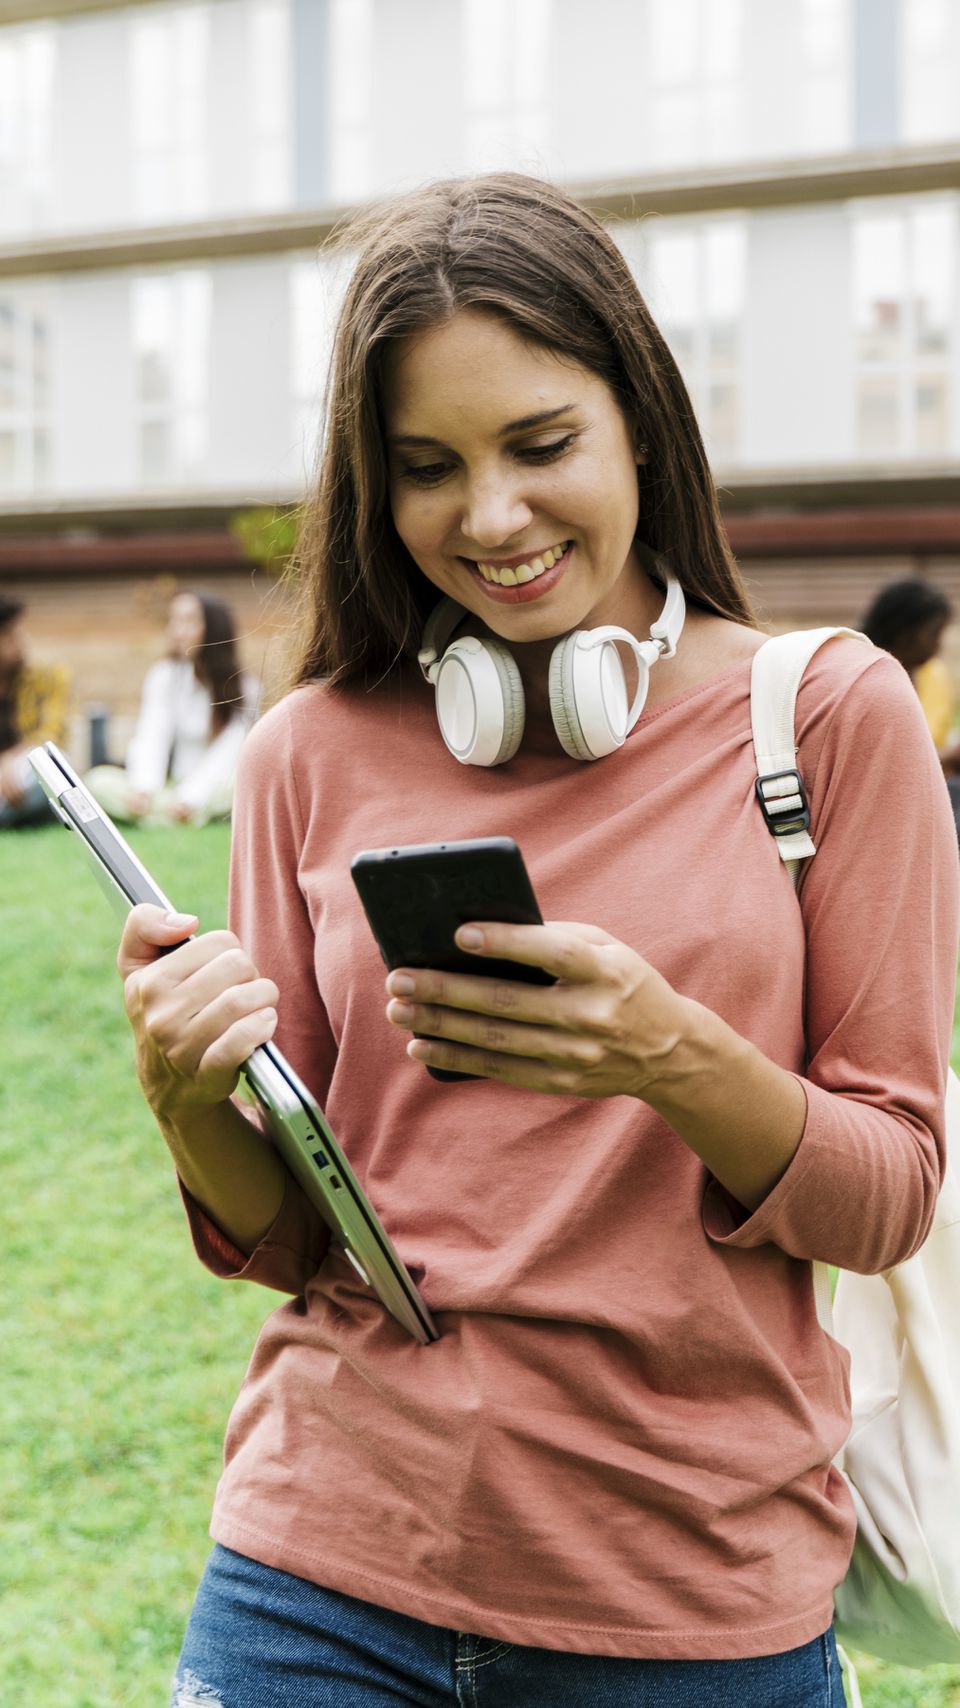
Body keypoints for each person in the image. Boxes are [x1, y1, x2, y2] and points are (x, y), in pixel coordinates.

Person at [116, 175, 959, 1707]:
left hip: (688, 1605)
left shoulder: (828, 715)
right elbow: (299, 1238)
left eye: (542, 446)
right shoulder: (309, 748)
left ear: (641, 414)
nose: (489, 518)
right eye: (426, 469)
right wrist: (189, 1101)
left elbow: (889, 1196)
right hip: (319, 1573)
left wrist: (673, 1056)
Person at [88, 589, 259, 826]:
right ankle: (172, 816)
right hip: (168, 788)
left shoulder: (243, 686)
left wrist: (190, 799)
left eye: (188, 621)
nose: (177, 631)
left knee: (244, 788)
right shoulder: (164, 675)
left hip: (214, 789)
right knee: (98, 782)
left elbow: (228, 751)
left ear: (214, 628)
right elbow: (152, 734)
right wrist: (143, 788)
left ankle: (168, 817)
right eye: (174, 620)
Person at [859, 577, 960, 834]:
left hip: (926, 793)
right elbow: (880, 773)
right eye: (933, 633)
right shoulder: (861, 678)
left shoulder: (932, 675)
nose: (938, 645)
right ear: (903, 632)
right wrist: (947, 757)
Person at [0, 593, 71, 828]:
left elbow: (53, 734)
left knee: (53, 766)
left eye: (21, 632)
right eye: (10, 635)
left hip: (25, 771)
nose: (20, 641)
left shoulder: (48, 678)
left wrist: (10, 759)